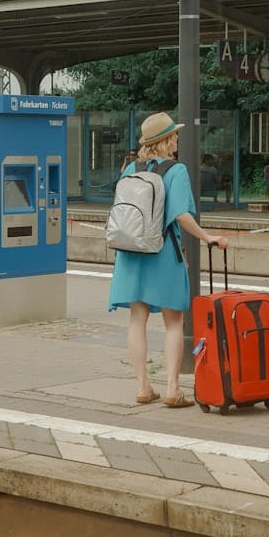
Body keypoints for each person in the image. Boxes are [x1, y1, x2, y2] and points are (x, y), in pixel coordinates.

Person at [108, 112, 229, 407]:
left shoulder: (130, 169)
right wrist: (207, 237)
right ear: (167, 139)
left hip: (130, 252)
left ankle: (143, 387)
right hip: (162, 252)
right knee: (174, 321)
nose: (177, 138)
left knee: (137, 319)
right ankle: (173, 389)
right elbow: (181, 215)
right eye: (174, 134)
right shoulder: (176, 171)